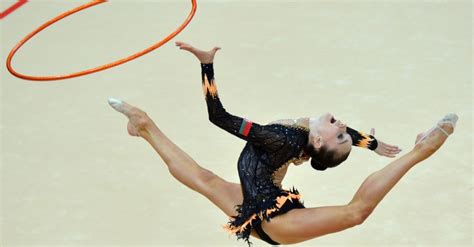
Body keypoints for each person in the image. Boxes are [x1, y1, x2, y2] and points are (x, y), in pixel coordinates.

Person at [107, 42, 457, 245]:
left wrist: (206, 66)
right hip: (252, 206)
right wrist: (371, 142)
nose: (343, 123)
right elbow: (334, 140)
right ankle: (144, 124)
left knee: (356, 213)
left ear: (319, 139)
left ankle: (422, 151)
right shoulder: (308, 137)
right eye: (344, 129)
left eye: (339, 130)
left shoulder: (282, 138)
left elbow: (219, 116)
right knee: (203, 179)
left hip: (277, 222)